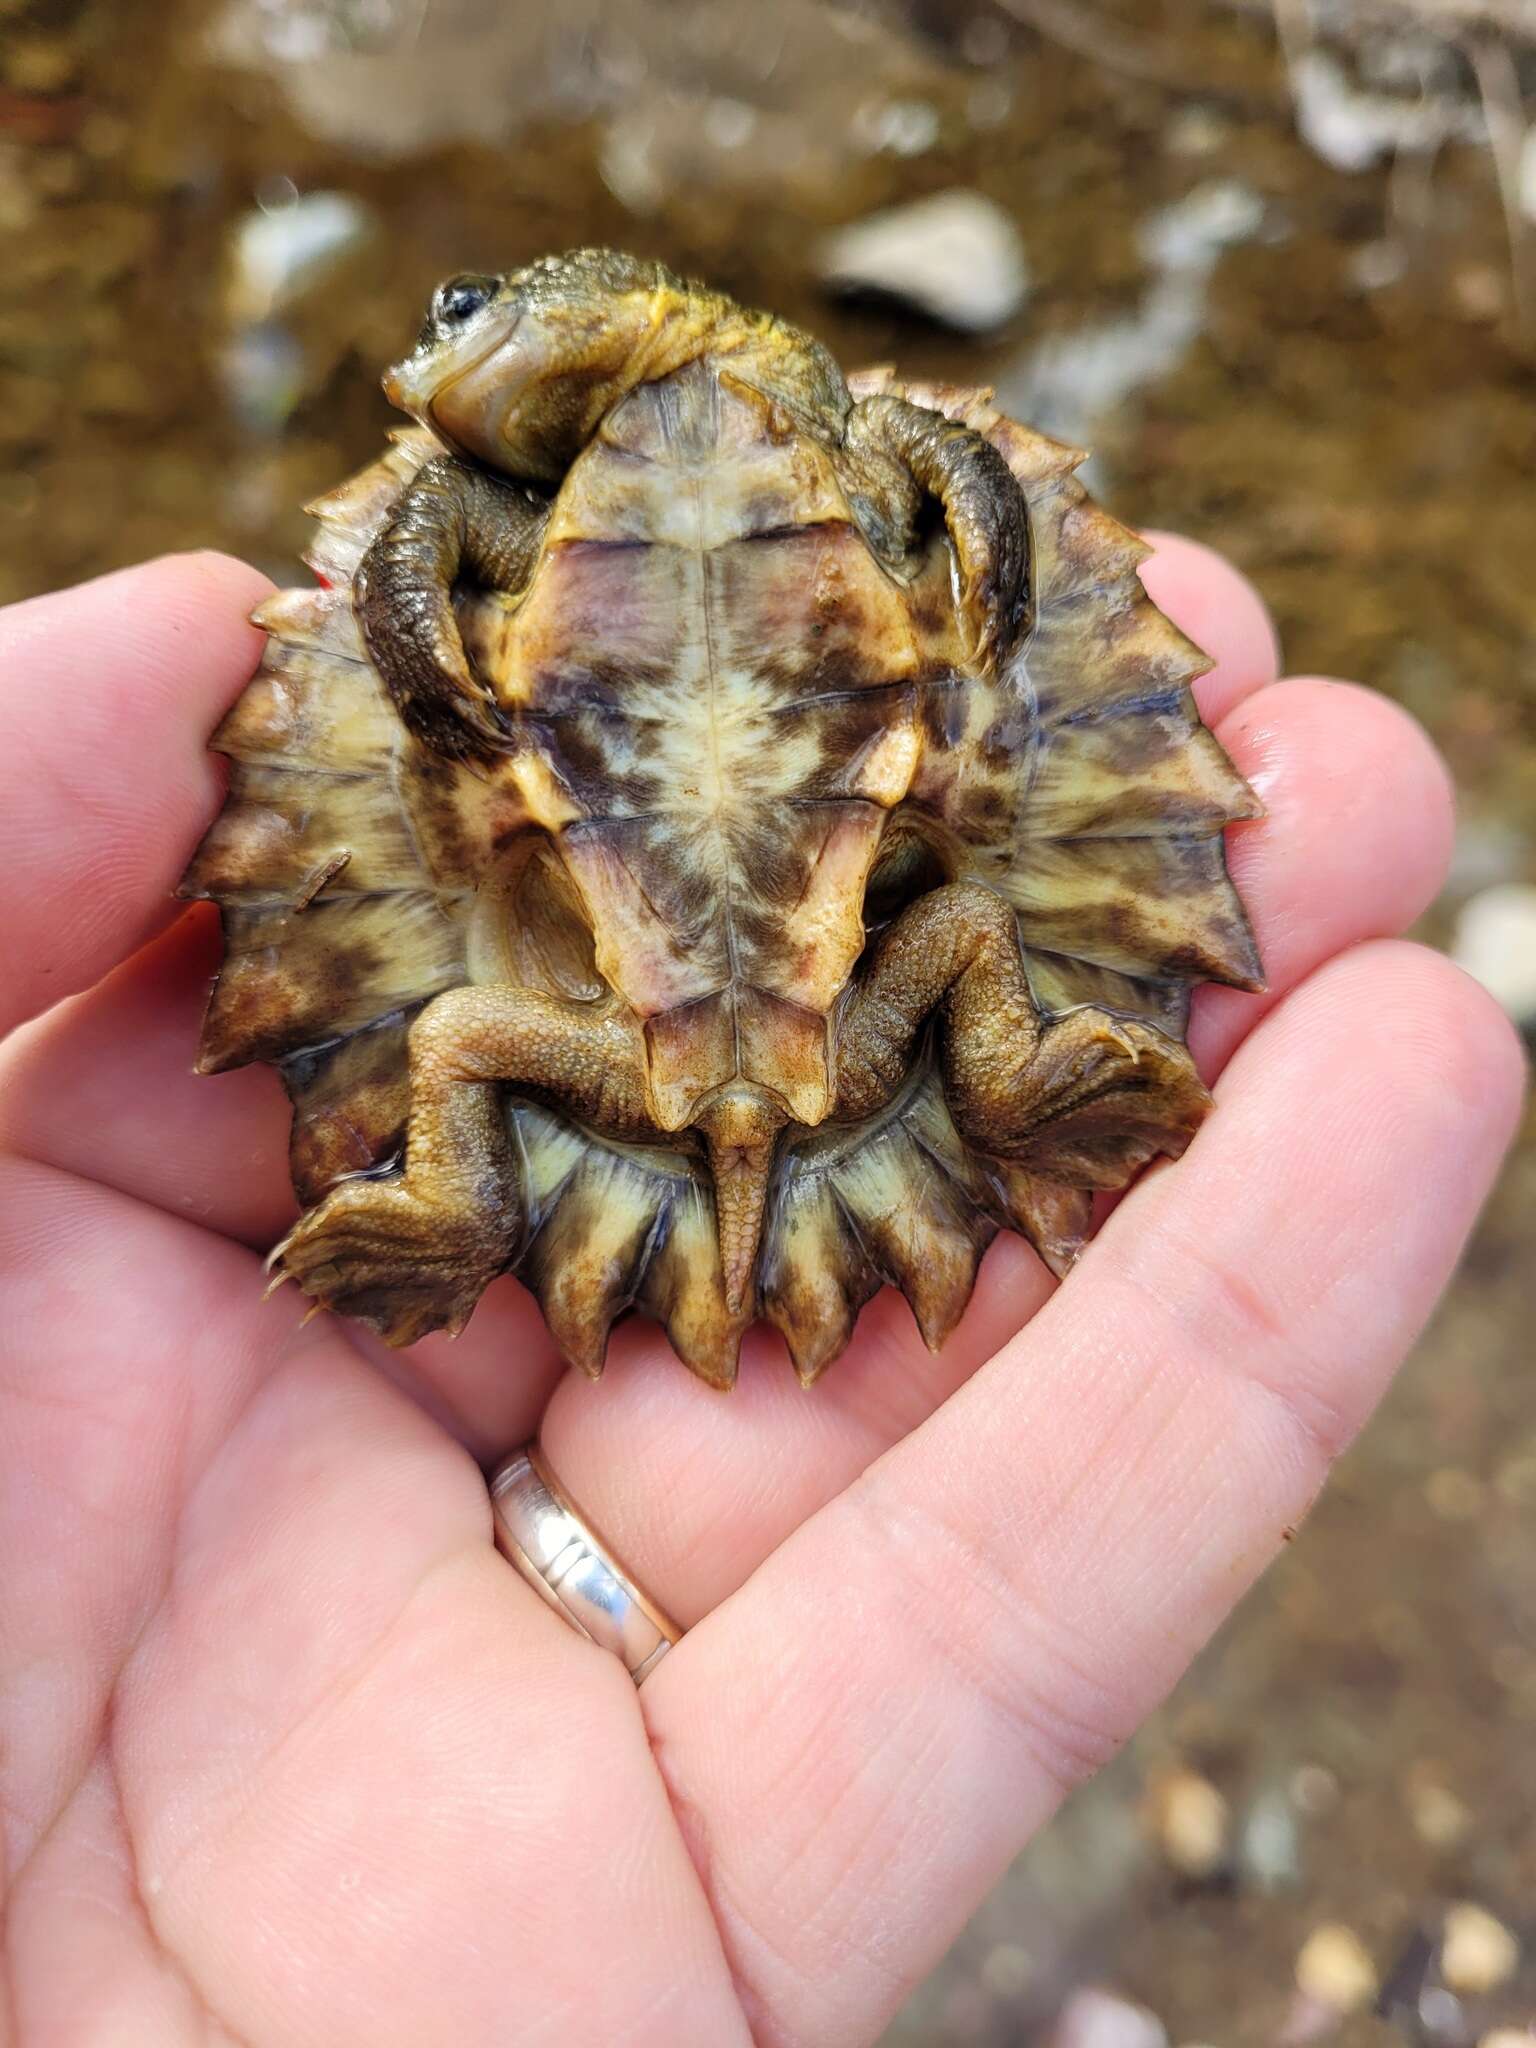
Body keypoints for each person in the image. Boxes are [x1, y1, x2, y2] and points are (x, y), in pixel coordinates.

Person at [0, 540, 1520, 2046]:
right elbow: (964, 921)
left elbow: (467, 1024)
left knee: (469, 1032)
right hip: (822, 1054)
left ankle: (469, 1206)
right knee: (948, 943)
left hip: (635, 1057)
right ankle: (1004, 1082)